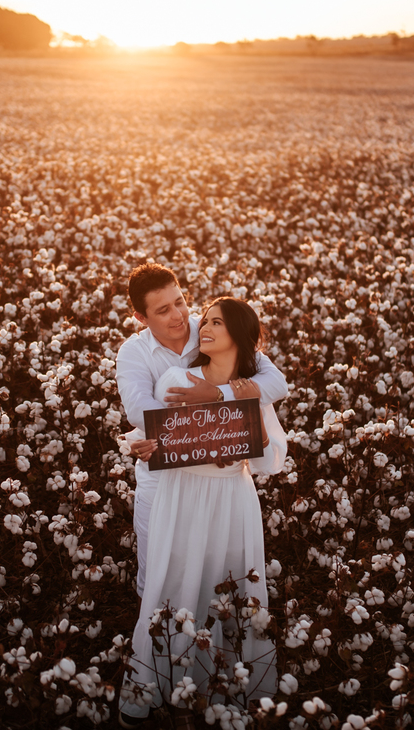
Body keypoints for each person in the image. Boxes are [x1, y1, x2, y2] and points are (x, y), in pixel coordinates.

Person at [118, 297, 286, 728]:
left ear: (240, 335)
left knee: (229, 589)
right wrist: (147, 445)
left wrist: (246, 419)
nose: (202, 328)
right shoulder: (176, 377)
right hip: (182, 496)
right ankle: (151, 685)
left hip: (233, 498)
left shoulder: (252, 386)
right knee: (172, 584)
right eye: (204, 321)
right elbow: (160, 435)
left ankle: (227, 684)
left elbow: (270, 461)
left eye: (216, 322)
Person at [115, 264, 288, 597]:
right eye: (163, 310)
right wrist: (206, 435)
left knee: (220, 575)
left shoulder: (211, 328)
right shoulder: (133, 352)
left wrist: (217, 396)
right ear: (141, 318)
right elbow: (140, 411)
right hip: (163, 477)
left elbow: (275, 382)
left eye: (179, 301)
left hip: (221, 482)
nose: (178, 315)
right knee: (158, 577)